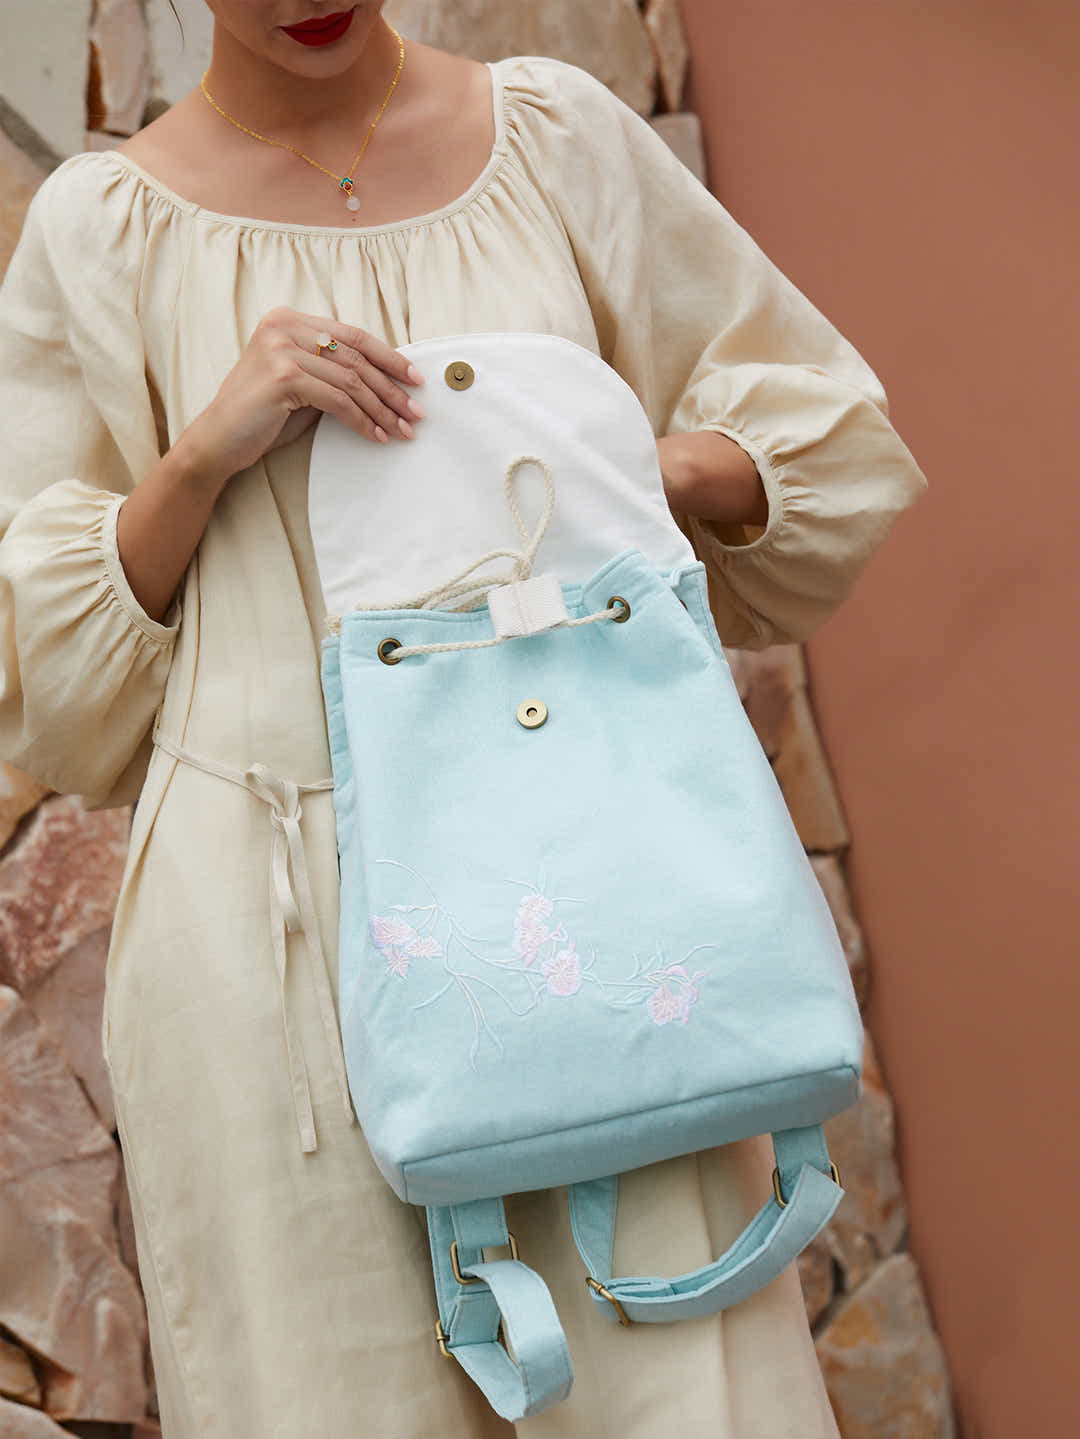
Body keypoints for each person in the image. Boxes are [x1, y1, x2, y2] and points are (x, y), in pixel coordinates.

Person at [0, 3, 928, 1435]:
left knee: (687, 1393)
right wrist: (204, 452)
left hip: (590, 903)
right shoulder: (101, 229)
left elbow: (821, 432)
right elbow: (45, 684)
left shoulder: (553, 141)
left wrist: (608, 459)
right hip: (273, 941)